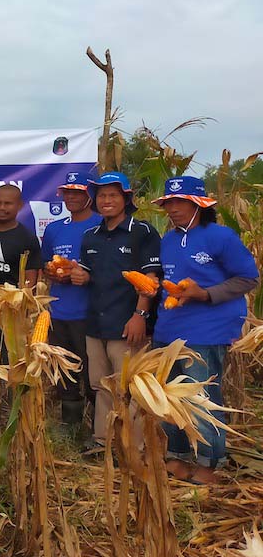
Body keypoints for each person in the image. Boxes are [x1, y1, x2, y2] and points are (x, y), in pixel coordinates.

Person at [152, 176, 258, 484]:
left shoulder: (220, 237)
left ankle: (210, 463)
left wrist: (205, 294)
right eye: (169, 203)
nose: (172, 208)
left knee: (201, 398)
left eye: (180, 202)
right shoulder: (168, 240)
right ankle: (179, 455)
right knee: (171, 398)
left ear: (199, 204)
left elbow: (248, 278)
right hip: (169, 329)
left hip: (207, 331)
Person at [72, 172, 161, 453]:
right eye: (102, 196)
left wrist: (140, 316)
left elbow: (150, 280)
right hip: (96, 324)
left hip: (128, 324)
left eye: (113, 195)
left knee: (131, 388)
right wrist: (78, 276)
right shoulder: (91, 236)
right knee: (101, 387)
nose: (107, 201)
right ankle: (103, 442)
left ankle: (133, 448)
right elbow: (89, 273)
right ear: (95, 201)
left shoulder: (142, 232)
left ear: (126, 199)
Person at [40, 172, 101, 425]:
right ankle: (71, 426)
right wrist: (55, 272)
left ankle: (98, 428)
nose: (72, 197)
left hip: (90, 313)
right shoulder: (54, 229)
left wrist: (86, 275)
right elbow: (45, 264)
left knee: (94, 375)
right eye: (68, 192)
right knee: (65, 373)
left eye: (78, 192)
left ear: (90, 195)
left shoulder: (101, 224)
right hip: (59, 311)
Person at [0, 184, 42, 367]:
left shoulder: (27, 237)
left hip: (11, 312)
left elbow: (30, 279)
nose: (2, 207)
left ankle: (8, 395)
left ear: (19, 205)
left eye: (8, 203)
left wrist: (24, 308)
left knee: (9, 361)